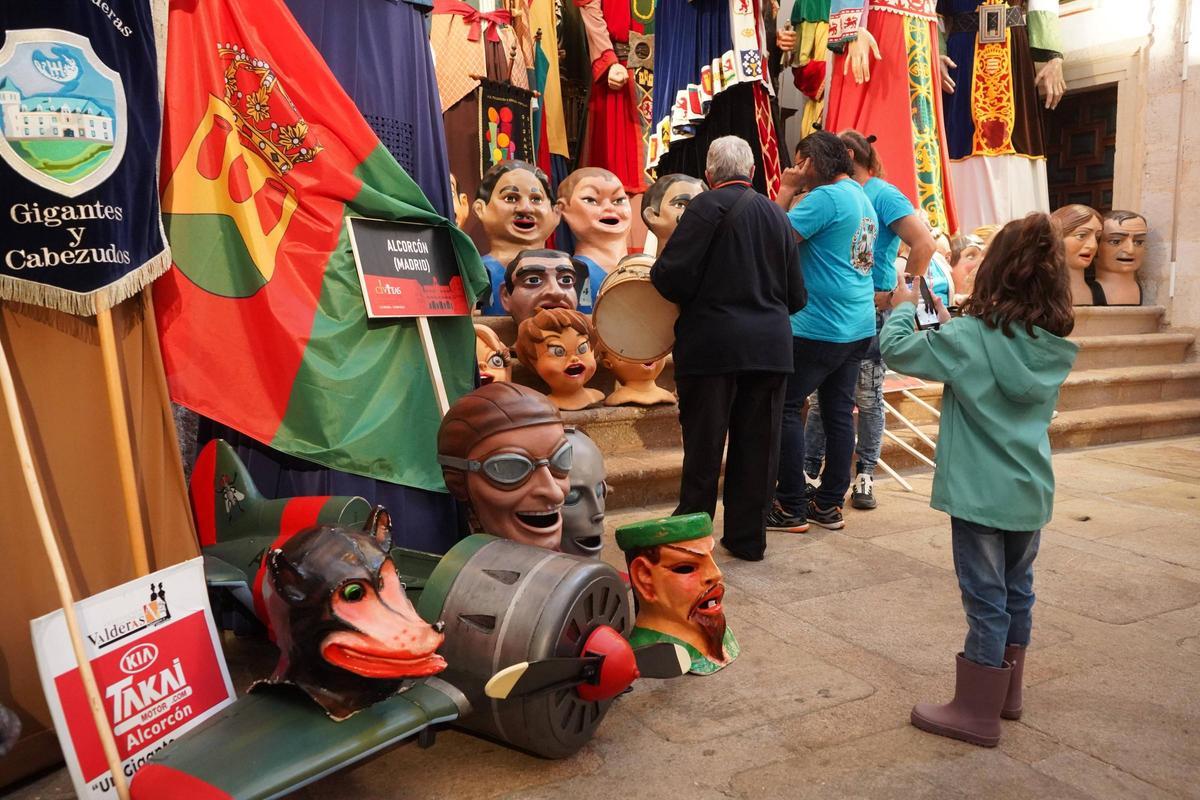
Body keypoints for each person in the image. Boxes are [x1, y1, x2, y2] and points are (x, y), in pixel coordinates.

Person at [880, 212, 1077, 748]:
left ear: (994, 274)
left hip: (977, 494)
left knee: (985, 599)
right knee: (1018, 592)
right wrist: (936, 316)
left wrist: (903, 308)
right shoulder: (1049, 344)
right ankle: (1006, 692)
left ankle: (976, 711)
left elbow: (898, 349)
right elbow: (969, 346)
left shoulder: (969, 338)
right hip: (1028, 489)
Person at [650, 136, 806, 561]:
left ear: (708, 173)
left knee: (704, 444)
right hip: (770, 347)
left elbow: (669, 278)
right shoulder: (776, 214)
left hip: (713, 346)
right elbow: (798, 296)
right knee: (759, 445)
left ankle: (694, 536)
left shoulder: (703, 207)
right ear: (752, 172)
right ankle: (747, 539)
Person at [803, 131, 936, 511]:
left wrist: (900, 297)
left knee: (867, 398)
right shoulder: (835, 195)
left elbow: (924, 244)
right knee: (825, 398)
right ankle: (811, 472)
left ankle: (864, 475)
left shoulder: (882, 193)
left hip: (872, 312)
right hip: (833, 312)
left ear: (847, 154)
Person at [770, 130, 877, 532]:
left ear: (811, 163)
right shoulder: (861, 196)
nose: (796, 169)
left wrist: (785, 188)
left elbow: (771, 238)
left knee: (785, 407)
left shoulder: (825, 197)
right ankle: (829, 504)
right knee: (837, 412)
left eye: (799, 162)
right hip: (856, 323)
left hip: (819, 324)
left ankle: (790, 505)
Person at [1049, 205, 1102, 306]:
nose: (1093, 245)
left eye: (1097, 237)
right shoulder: (1043, 291)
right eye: (1081, 235)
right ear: (1057, 237)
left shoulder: (1099, 291)